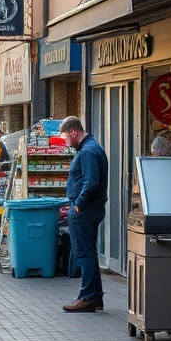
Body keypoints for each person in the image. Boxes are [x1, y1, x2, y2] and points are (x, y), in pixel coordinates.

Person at [59, 116, 109, 313]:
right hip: (89, 209)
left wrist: (78, 204)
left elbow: (91, 182)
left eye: (65, 137)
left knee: (84, 254)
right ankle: (96, 297)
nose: (65, 142)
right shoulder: (91, 147)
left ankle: (87, 297)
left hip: (85, 211)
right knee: (89, 252)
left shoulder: (88, 151)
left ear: (74, 132)